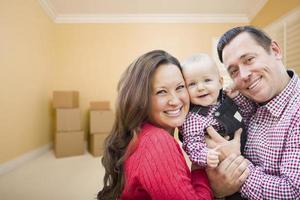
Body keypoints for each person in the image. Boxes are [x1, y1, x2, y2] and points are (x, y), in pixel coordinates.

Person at [97, 50, 216, 200]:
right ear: (141, 99)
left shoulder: (141, 133)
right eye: (161, 92)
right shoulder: (157, 142)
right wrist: (200, 170)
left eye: (180, 87)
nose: (175, 101)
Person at [206, 26, 300, 199]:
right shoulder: (249, 101)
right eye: (234, 71)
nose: (243, 75)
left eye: (249, 60)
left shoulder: (296, 112)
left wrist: (234, 164)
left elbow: (293, 192)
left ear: (275, 51)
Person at [179, 53, 254, 169]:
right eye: (192, 84)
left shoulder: (227, 98)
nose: (200, 87)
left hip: (250, 154)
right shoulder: (193, 118)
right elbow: (192, 145)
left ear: (220, 82)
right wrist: (206, 155)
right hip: (224, 165)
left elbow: (249, 113)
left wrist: (237, 97)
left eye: (207, 80)